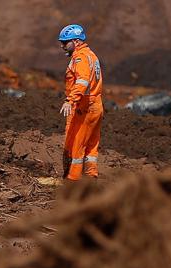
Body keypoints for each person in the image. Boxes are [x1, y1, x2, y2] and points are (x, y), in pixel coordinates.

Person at [58, 24, 103, 180]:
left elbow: (82, 82)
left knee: (77, 146)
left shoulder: (81, 57)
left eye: (65, 42)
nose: (62, 46)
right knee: (91, 146)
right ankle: (91, 179)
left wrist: (70, 100)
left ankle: (73, 182)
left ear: (76, 42)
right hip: (96, 105)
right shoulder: (91, 55)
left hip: (86, 107)